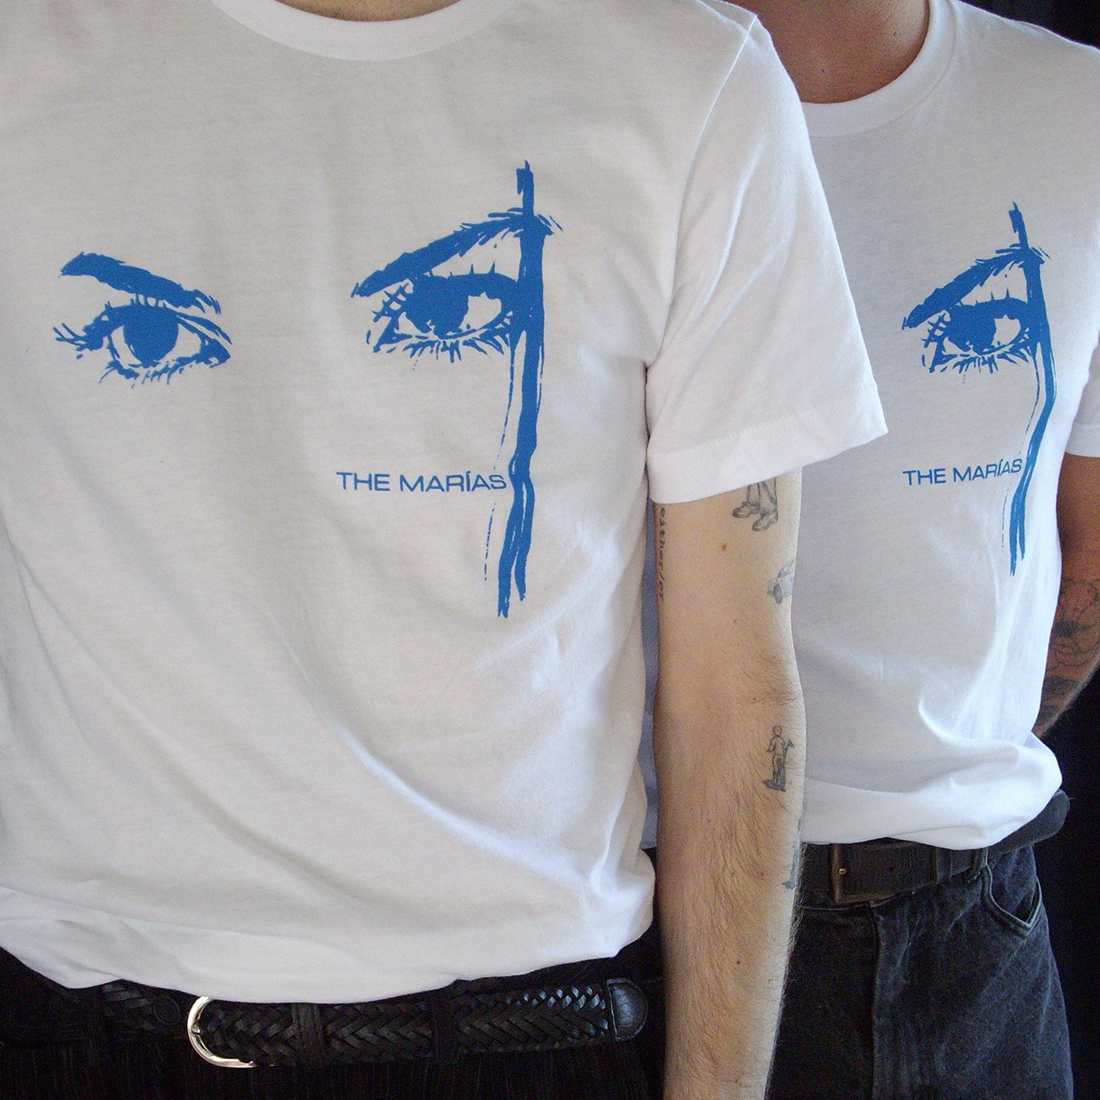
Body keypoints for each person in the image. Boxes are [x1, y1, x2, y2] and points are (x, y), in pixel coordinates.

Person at [0, 0, 885, 1097]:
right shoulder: (25, 52)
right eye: (140, 334)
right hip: (80, 1019)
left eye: (462, 309)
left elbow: (733, 694)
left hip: (532, 1033)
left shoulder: (691, 80)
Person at [718, 0, 1099, 1095]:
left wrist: (944, 767)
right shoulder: (611, 85)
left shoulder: (1073, 105)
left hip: (980, 934)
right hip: (676, 919)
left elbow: (1085, 546)